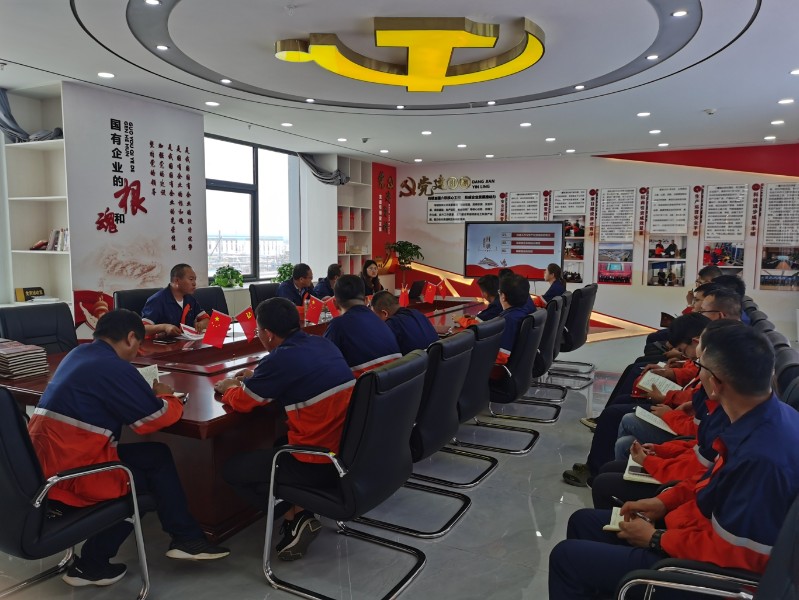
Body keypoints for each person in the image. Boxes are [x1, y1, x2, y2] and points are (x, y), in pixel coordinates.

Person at [549, 325, 799, 599]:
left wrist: (656, 538)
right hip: (693, 535)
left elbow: (737, 555)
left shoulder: (761, 459)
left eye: (700, 367)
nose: (697, 374)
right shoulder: (764, 418)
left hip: (705, 575)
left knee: (566, 558)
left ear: (715, 384)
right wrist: (662, 503)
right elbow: (707, 482)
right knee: (583, 521)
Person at [27, 309, 229, 588]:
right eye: (139, 345)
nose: (138, 352)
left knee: (156, 456)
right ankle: (92, 565)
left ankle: (187, 539)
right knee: (142, 484)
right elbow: (153, 420)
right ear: (131, 337)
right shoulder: (114, 367)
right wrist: (167, 396)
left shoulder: (78, 354)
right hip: (73, 475)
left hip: (42, 468)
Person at [216, 298, 355, 561]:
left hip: (316, 462)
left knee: (232, 469)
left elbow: (244, 402)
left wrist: (229, 388)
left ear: (268, 333)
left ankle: (294, 514)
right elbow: (296, 374)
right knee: (279, 442)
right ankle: (299, 514)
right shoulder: (322, 343)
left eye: (258, 330)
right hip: (346, 450)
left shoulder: (280, 359)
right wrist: (259, 377)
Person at [323, 274, 401, 376]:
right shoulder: (380, 320)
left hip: (369, 383)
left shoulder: (337, 325)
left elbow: (324, 361)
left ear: (335, 303)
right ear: (366, 300)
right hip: (397, 379)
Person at [141, 263, 209, 337]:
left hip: (187, 341)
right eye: (191, 279)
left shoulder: (190, 299)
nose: (194, 283)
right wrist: (164, 327)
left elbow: (206, 319)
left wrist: (202, 323)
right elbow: (143, 329)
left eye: (195, 280)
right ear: (176, 281)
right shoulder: (157, 300)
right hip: (164, 343)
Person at [370, 289, 438, 354]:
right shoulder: (417, 313)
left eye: (375, 317)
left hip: (417, 361)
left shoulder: (391, 324)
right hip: (436, 359)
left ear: (385, 313)